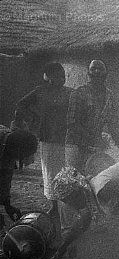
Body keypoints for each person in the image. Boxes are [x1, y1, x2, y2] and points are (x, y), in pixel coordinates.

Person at [13, 62, 73, 221]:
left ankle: (66, 204)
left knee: (66, 171)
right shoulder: (40, 92)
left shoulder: (70, 93)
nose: (61, 79)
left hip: (67, 139)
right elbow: (21, 105)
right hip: (48, 138)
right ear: (49, 78)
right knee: (51, 173)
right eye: (57, 76)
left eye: (63, 76)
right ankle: (54, 205)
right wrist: (33, 120)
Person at [66, 60, 119, 173]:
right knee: (76, 182)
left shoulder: (109, 96)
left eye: (100, 69)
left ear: (106, 73)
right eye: (93, 68)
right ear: (88, 73)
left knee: (96, 181)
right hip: (76, 145)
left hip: (95, 146)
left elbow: (113, 125)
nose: (97, 71)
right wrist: (90, 140)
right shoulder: (79, 93)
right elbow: (72, 123)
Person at [0, 125, 38, 222]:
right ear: (17, 151)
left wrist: (7, 205)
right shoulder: (9, 145)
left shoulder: (10, 146)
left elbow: (5, 178)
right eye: (22, 157)